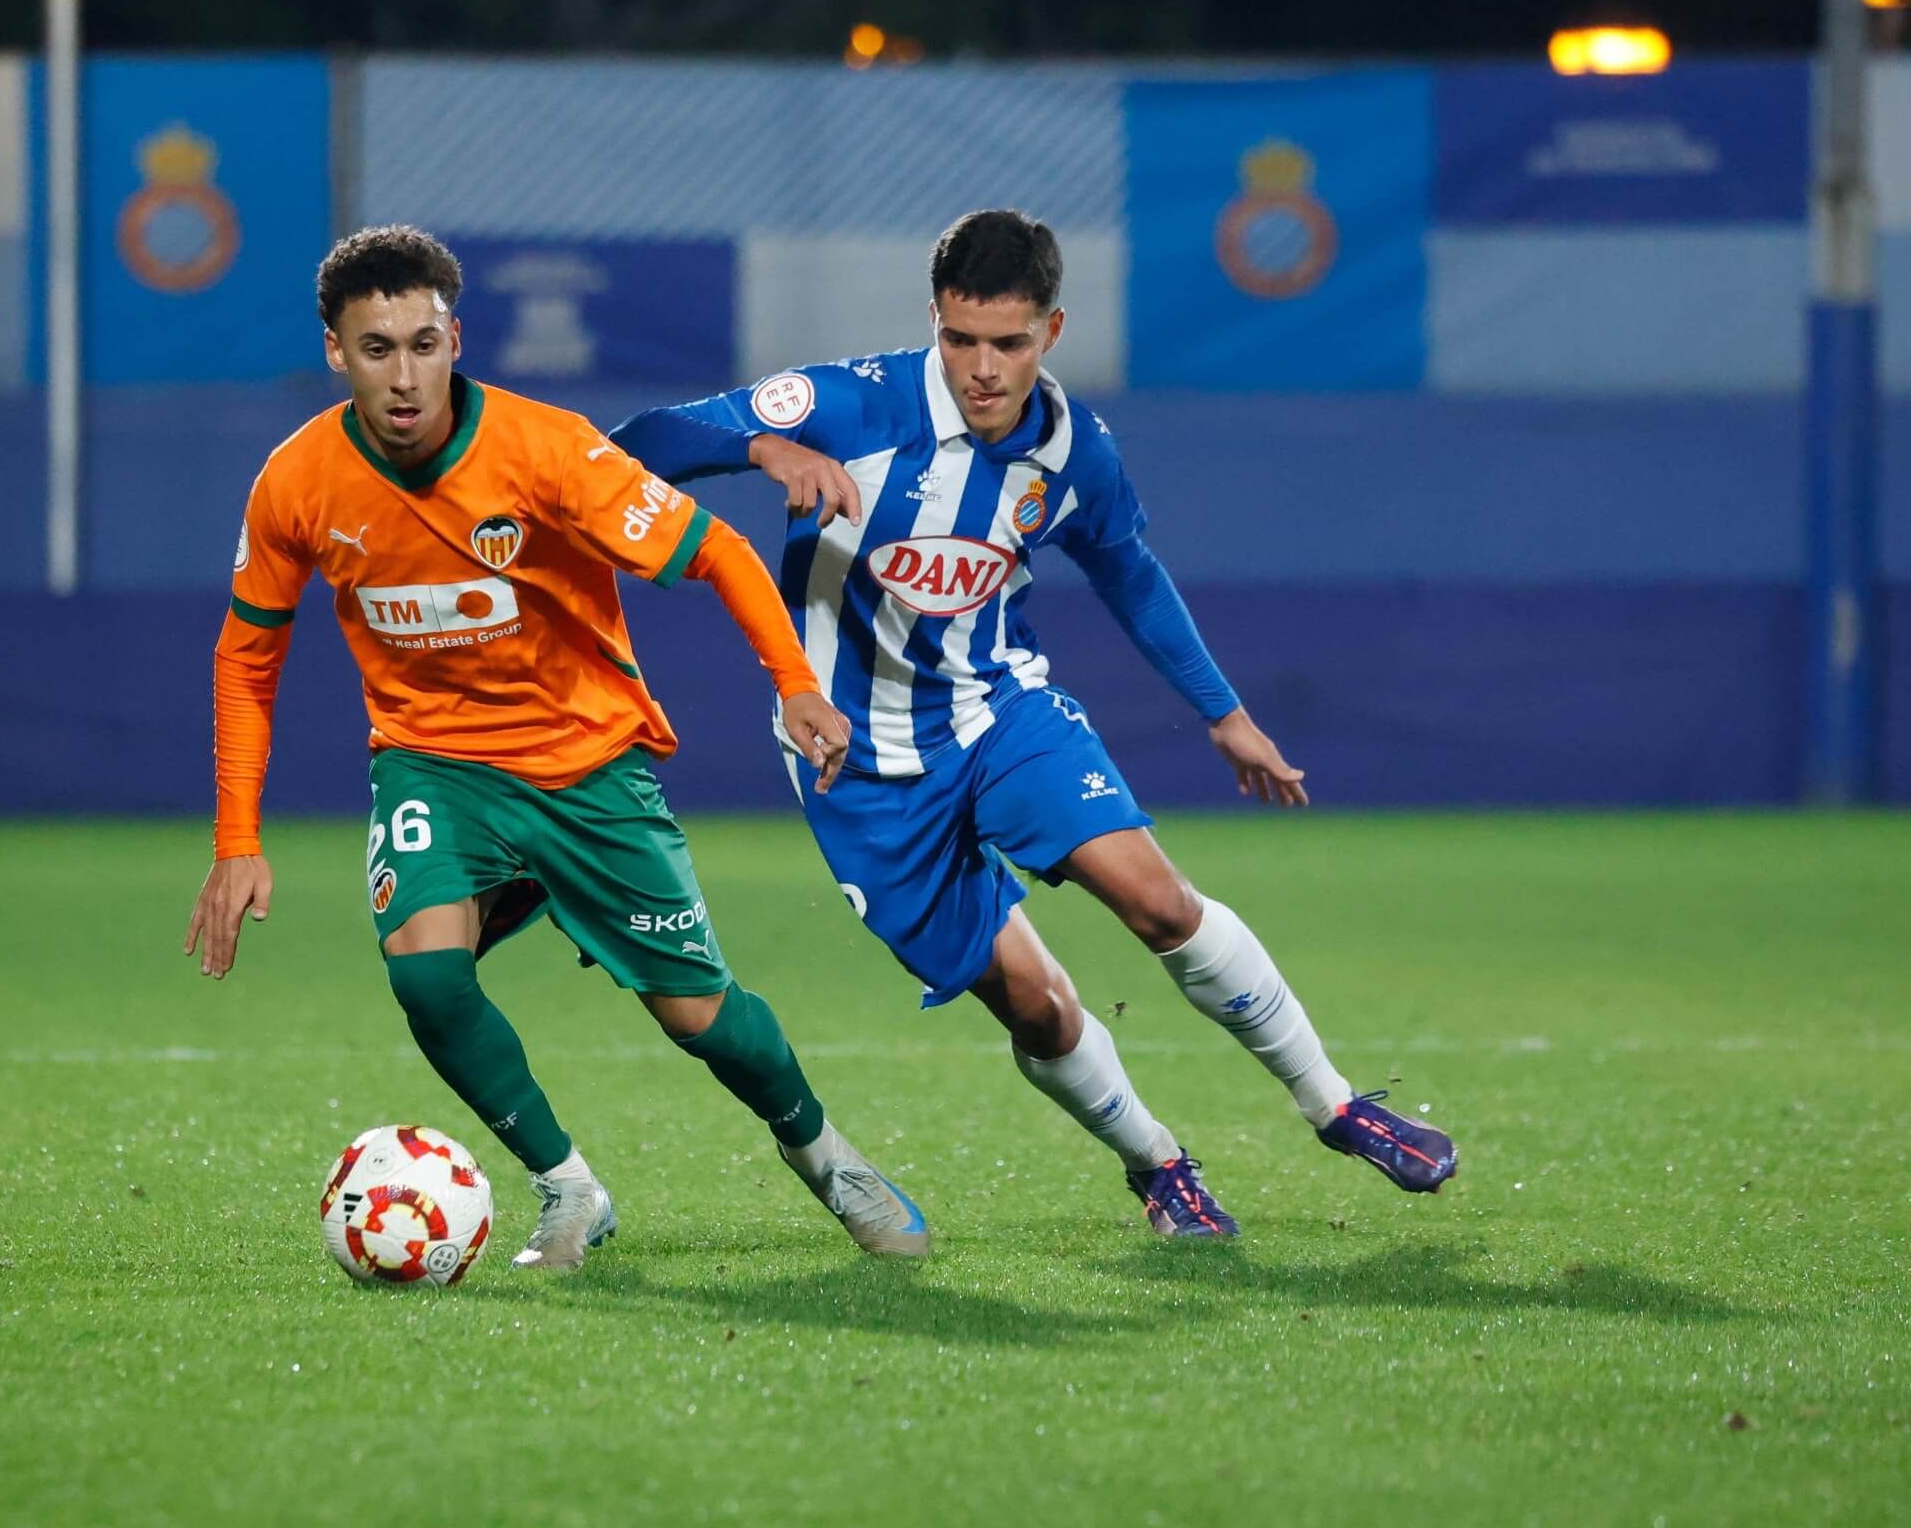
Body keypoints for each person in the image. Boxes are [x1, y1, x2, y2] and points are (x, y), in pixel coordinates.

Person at [605, 209, 1457, 1237]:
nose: (980, 367)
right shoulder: (848, 402)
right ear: (934, 321)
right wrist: (762, 448)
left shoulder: (1075, 451)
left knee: (1157, 901)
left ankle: (1334, 1102)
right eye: (959, 338)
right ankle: (1156, 1162)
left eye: (1006, 342)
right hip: (858, 765)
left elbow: (1129, 572)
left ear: (1049, 331)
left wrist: (1224, 715)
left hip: (996, 711)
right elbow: (633, 446)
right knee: (1040, 1006)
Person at [186, 225, 929, 1271]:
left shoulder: (543, 449)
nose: (404, 376)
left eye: (422, 342)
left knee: (697, 1014)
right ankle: (567, 1188)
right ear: (334, 353)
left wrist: (797, 686)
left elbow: (713, 549)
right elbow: (243, 658)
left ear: (456, 337)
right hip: (433, 763)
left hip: (585, 764)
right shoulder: (297, 480)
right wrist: (236, 837)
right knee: (429, 980)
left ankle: (825, 1155)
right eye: (376, 348)